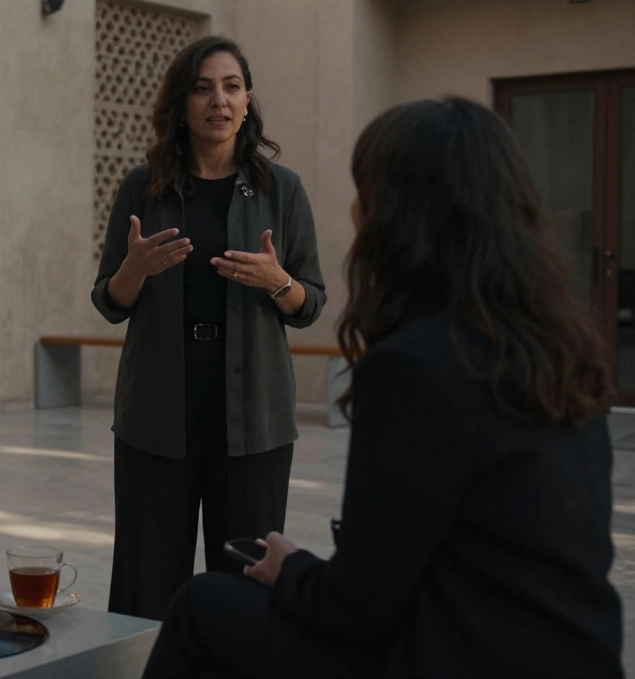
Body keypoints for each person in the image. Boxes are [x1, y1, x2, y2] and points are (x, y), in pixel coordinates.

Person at [141, 97, 624, 678]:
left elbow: (355, 608)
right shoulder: (563, 348)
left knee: (201, 607)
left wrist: (290, 570)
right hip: (574, 657)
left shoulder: (417, 367)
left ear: (400, 216)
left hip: (461, 659)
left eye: (364, 190)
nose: (354, 209)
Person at [92, 35, 326, 622]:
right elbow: (109, 301)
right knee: (146, 580)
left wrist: (277, 280)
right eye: (202, 88)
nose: (218, 100)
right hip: (157, 411)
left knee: (246, 577)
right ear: (181, 104)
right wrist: (134, 269)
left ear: (247, 101)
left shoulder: (282, 189)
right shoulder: (142, 185)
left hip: (254, 417)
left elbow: (310, 303)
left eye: (231, 86)